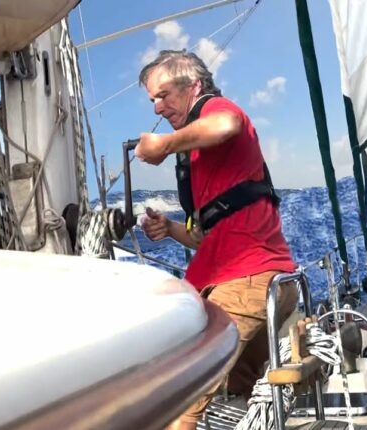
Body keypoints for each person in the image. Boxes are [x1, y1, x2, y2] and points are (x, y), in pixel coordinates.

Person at [135, 49, 298, 430]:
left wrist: (163, 145)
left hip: (245, 283)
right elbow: (204, 237)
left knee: (178, 399)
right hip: (267, 284)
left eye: (164, 95)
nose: (157, 108)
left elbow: (226, 123)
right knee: (244, 391)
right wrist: (170, 228)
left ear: (193, 86)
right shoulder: (202, 155)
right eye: (153, 100)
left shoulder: (213, 108)